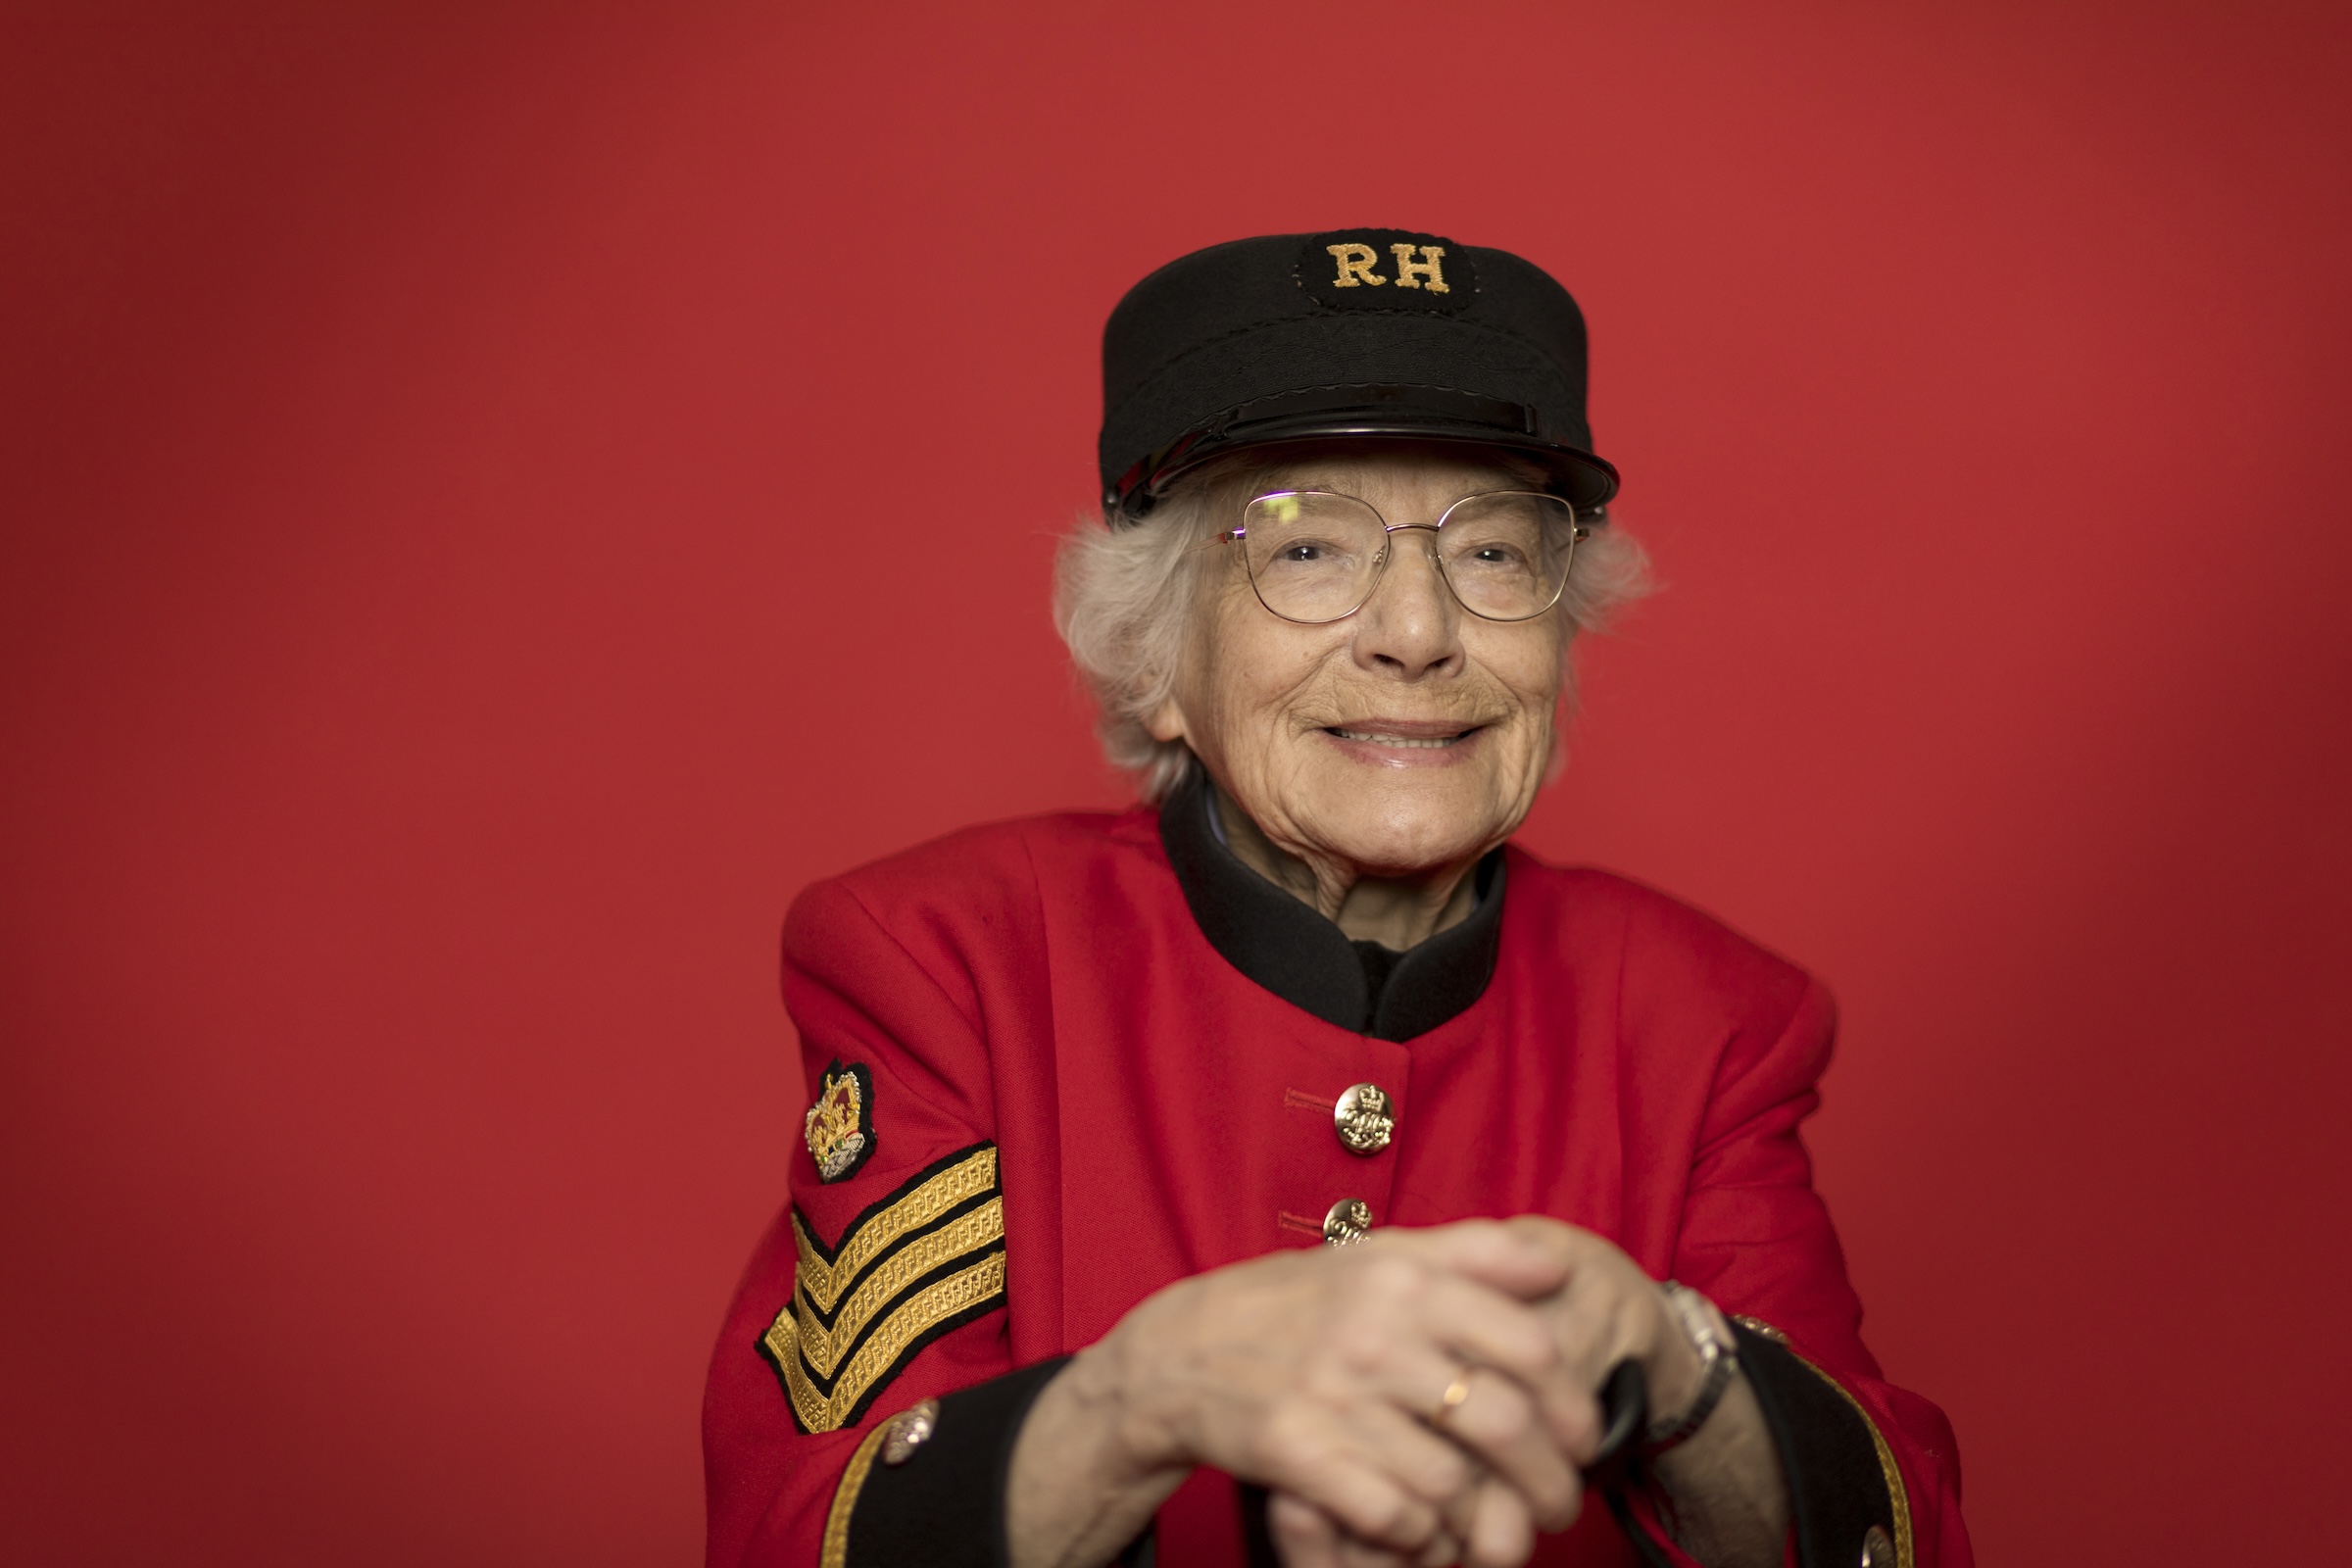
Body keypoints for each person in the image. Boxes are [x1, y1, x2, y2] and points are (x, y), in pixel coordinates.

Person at [703, 229, 1969, 1568]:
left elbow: (1902, 1537)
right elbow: (805, 1534)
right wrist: (1140, 1402)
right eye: (1305, 550)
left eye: (1489, 552)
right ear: (1154, 660)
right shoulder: (947, 960)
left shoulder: (1709, 1021)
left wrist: (1675, 1362)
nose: (1417, 631)